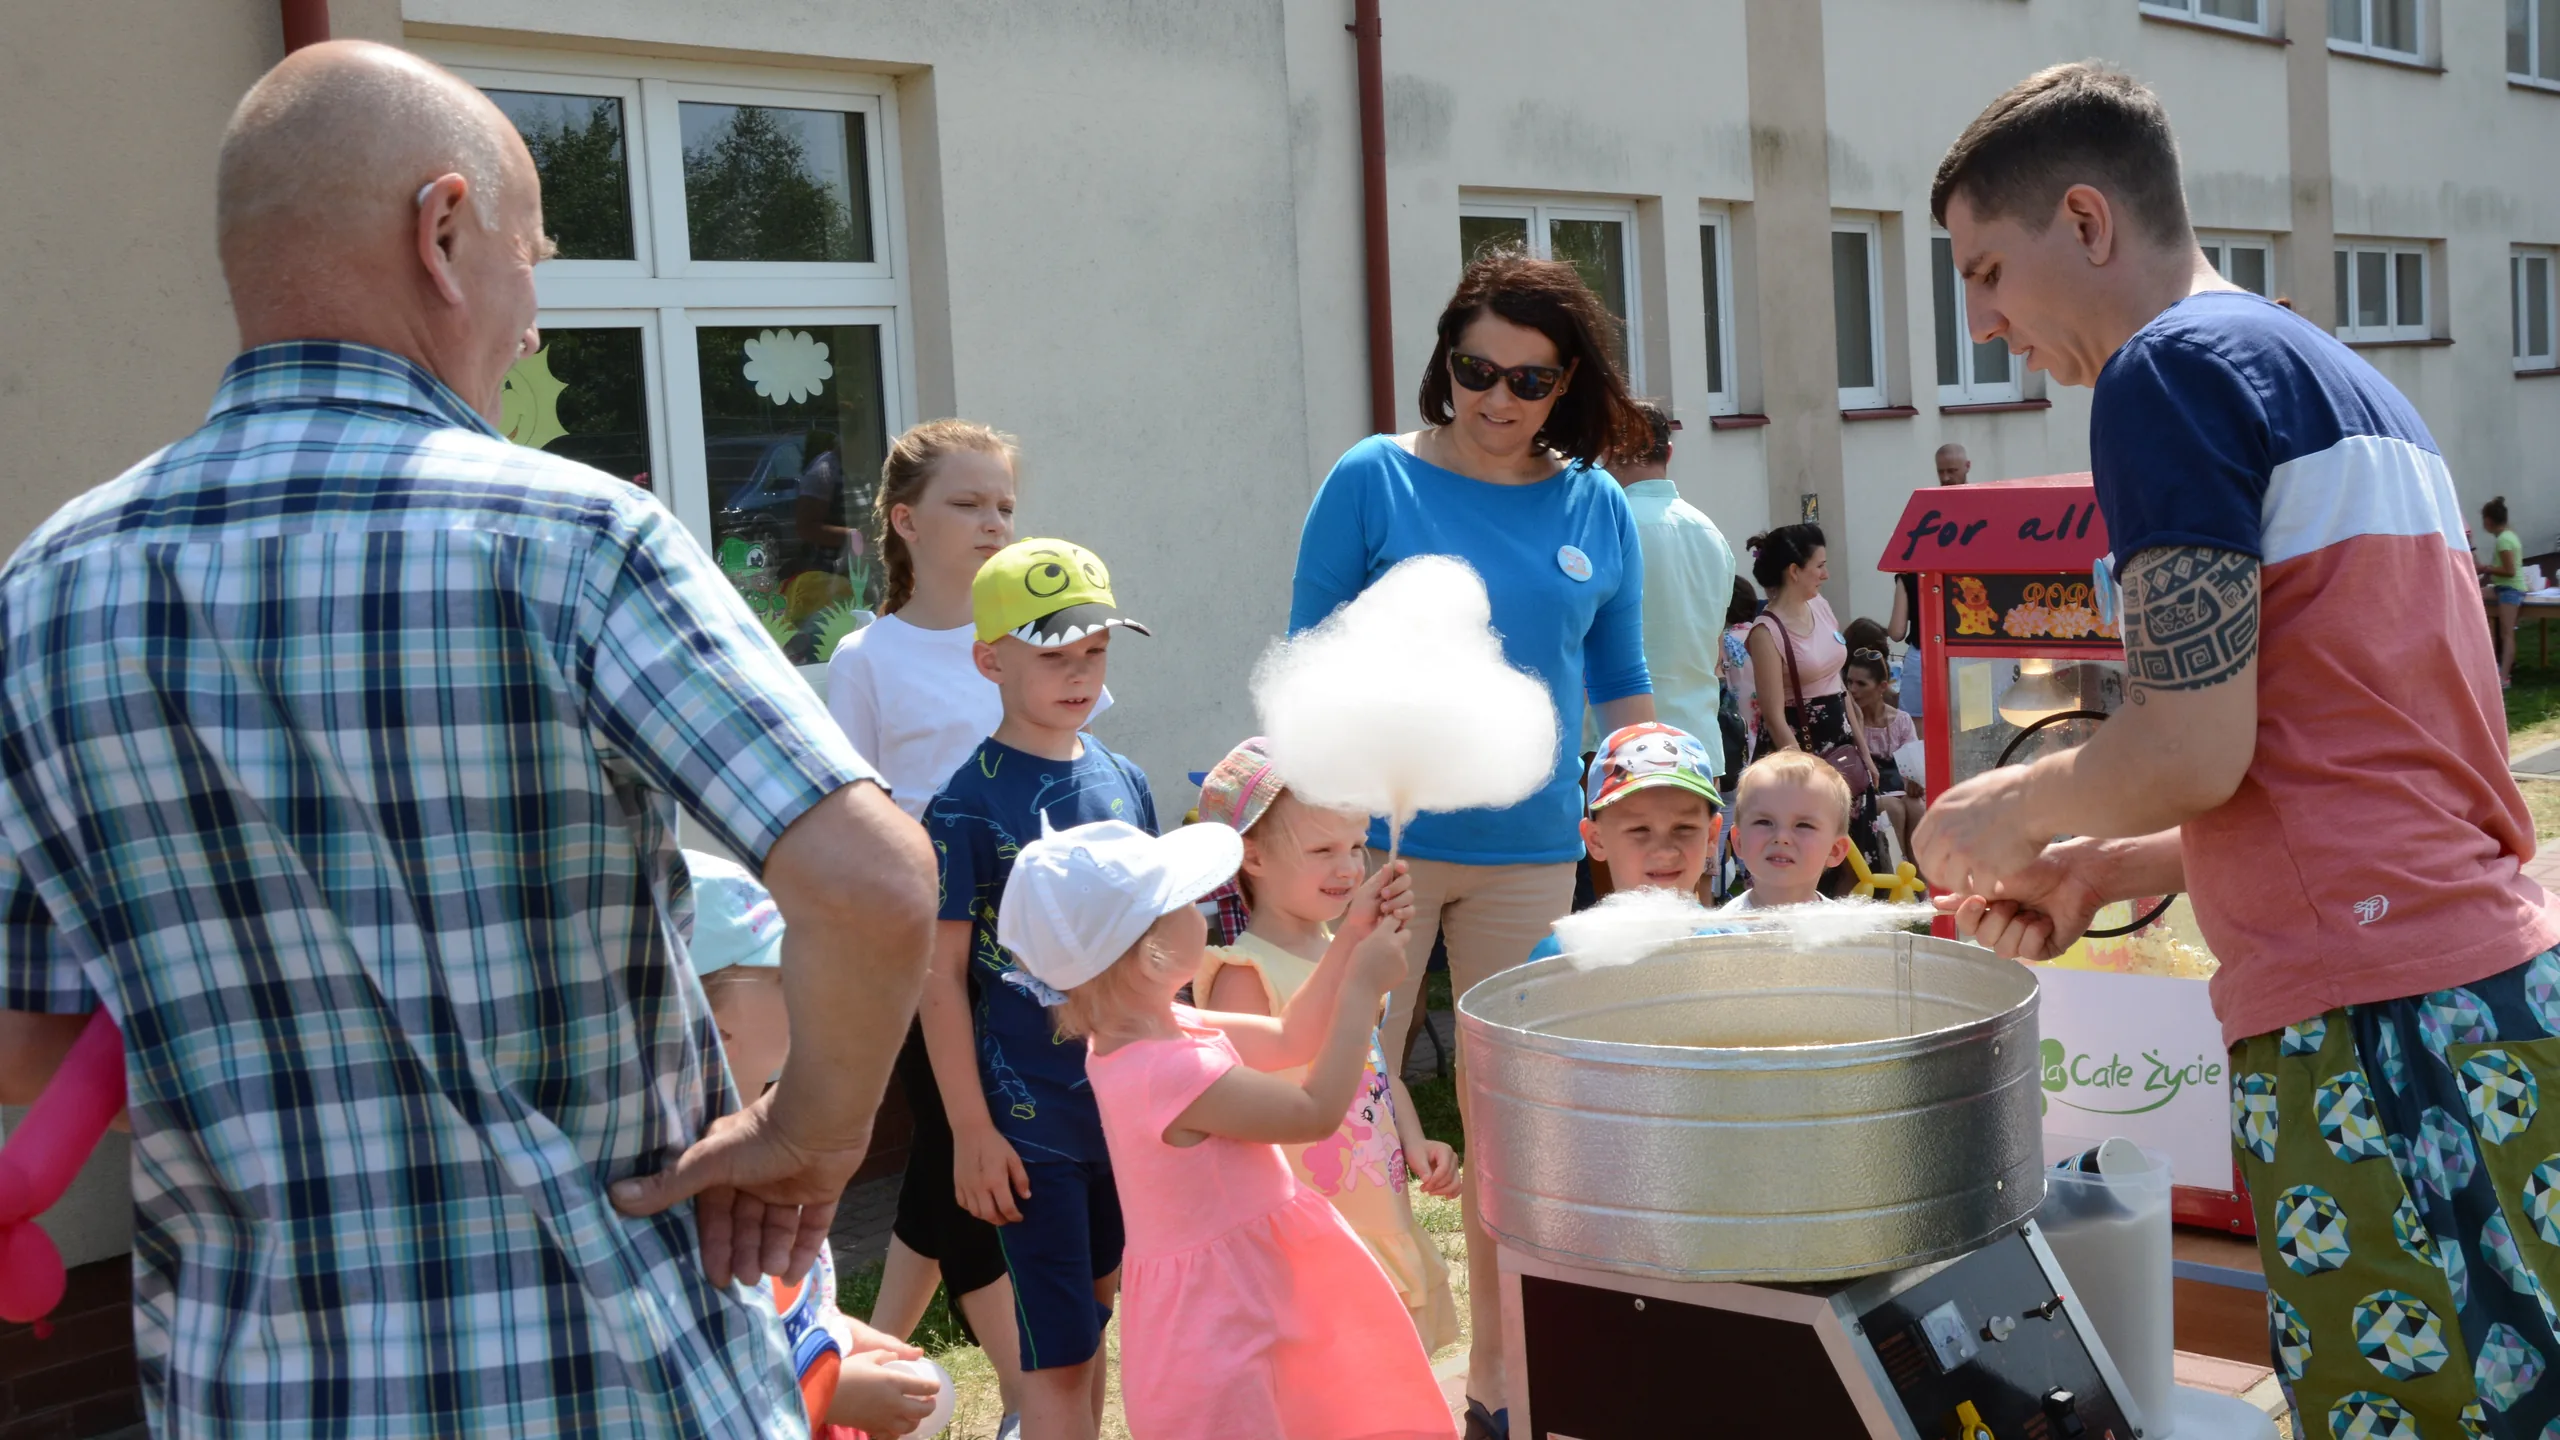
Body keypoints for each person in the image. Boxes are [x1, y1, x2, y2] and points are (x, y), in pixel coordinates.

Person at [0, 41, 936, 1437]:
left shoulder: (46, 589)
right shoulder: (569, 538)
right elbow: (871, 884)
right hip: (609, 1384)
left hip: (258, 1395)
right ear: (440, 231)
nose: (538, 321)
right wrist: (812, 1136)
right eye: (532, 253)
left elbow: (30, 1047)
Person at [1917, 63, 2560, 1437]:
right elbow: (2338, 755)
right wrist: (2109, 865)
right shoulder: (2344, 379)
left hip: (2368, 1027)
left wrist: (2011, 811)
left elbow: (2196, 742)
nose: (1984, 323)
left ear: (2085, 220)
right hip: (2484, 990)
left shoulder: (2165, 374)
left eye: (1986, 270)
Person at [1288, 246, 1655, 1438]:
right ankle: (1358, 1389)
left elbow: (1622, 687)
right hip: (1373, 854)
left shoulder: (1595, 503)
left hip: (1535, 851)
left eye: (1529, 380)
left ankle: (1500, 1389)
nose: (1496, 398)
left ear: (1571, 387)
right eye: (1473, 369)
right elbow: (1307, 658)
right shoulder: (1373, 479)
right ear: (1444, 360)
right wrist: (1311, 852)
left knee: (1513, 1140)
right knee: (1344, 1131)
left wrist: (1652, 810)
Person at [998, 819, 1455, 1440]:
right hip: (1223, 1323)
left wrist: (1351, 937)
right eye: (1185, 904)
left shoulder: (1156, 1027)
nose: (1204, 911)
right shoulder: (1166, 1069)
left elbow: (1293, 1036)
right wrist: (1363, 990)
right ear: (1148, 951)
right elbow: (1314, 1113)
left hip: (1249, 1295)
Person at [920, 537, 1156, 1440]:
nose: (1079, 674)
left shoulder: (1124, 779)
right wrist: (971, 1132)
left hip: (1125, 1111)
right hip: (1031, 1131)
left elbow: (1146, 946)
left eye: (1094, 653)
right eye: (1053, 656)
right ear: (990, 659)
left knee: (1094, 1328)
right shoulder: (963, 807)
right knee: (1055, 1362)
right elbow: (938, 980)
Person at [823, 418, 1031, 1425]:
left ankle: (879, 1358)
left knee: (950, 1166)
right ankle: (1033, 1398)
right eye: (967, 502)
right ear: (904, 521)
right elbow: (849, 813)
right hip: (921, 951)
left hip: (1030, 942)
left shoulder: (1027, 636)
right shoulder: (869, 658)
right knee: (970, 1151)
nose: (992, 521)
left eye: (1004, 504)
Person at [1191, 739, 1462, 1354]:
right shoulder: (1243, 971)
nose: (1348, 869)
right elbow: (1247, 1105)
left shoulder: (1347, 952)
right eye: (1322, 850)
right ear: (1252, 857)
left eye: (1356, 846)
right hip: (1303, 1223)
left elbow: (1373, 1068)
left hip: (1374, 1205)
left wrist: (1417, 1142)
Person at [684, 852, 945, 1440]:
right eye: (784, 975)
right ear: (699, 1013)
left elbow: (775, 1310)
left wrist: (840, 1332)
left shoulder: (774, 1136)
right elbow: (695, 1373)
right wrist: (832, 1390)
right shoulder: (682, 1177)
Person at [1587, 400, 1736, 777]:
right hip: (1699, 744)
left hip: (1618, 747)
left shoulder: (1602, 526)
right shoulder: (1712, 533)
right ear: (1668, 452)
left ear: (1607, 451)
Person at [1742, 523, 1886, 887]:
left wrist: (1865, 753)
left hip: (1842, 744)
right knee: (1809, 851)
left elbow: (1839, 687)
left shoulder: (1820, 606)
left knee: (1856, 855)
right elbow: (1774, 716)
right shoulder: (1766, 631)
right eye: (1819, 566)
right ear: (1794, 571)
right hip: (1798, 748)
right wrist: (1807, 778)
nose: (1826, 574)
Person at [1527, 723, 1729, 963]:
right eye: (1639, 829)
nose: (1665, 852)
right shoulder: (1566, 956)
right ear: (1596, 839)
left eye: (1684, 828)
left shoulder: (1730, 947)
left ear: (1712, 835)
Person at [1887, 443, 1971, 719]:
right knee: (1974, 727)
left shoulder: (1911, 566)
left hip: (1923, 656)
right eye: (1941, 472)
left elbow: (1897, 631)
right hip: (1970, 652)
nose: (1946, 478)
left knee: (1920, 733)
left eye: (1951, 471)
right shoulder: (1981, 521)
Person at [1724, 752, 1855, 913]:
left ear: (1835, 850)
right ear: (1739, 841)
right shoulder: (1721, 930)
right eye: (1764, 822)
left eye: (1803, 825)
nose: (1781, 837)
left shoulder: (1845, 931)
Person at [1845, 650, 1922, 859]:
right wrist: (1857, 721)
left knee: (1916, 807)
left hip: (1896, 789)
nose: (1853, 690)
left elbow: (1912, 766)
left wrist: (1914, 781)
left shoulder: (1901, 720)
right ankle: (1898, 879)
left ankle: (1921, 883)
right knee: (1894, 809)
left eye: (1861, 684)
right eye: (1849, 682)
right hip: (1861, 794)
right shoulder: (1846, 721)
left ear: (1882, 687)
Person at [2482, 495, 2525, 689]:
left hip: (2510, 590)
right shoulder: (2508, 535)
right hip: (2501, 588)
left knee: (2507, 634)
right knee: (2473, 595)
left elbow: (2509, 571)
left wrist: (2486, 568)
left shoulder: (2504, 541)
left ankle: (2504, 677)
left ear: (2489, 520)